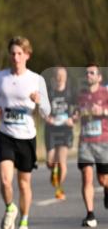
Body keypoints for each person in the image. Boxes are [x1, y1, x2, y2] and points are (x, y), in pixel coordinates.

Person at [0, 37, 50, 229]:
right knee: (5, 180)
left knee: (24, 184)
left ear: (27, 55)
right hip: (6, 134)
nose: (16, 57)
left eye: (19, 53)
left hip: (27, 137)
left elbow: (46, 112)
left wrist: (38, 101)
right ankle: (10, 208)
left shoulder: (36, 79)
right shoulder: (1, 77)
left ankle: (24, 223)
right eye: (13, 53)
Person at [74, 64, 108, 228]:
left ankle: (106, 189)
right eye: (86, 72)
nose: (88, 75)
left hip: (103, 141)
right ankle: (90, 214)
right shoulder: (81, 95)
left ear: (99, 77)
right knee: (87, 176)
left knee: (103, 179)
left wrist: (102, 111)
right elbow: (75, 112)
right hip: (86, 142)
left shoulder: (105, 92)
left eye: (92, 73)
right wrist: (73, 116)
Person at [45, 67, 74, 200]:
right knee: (50, 162)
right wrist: (47, 117)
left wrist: (72, 119)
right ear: (54, 77)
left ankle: (59, 188)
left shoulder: (70, 93)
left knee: (62, 162)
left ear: (66, 77)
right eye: (58, 75)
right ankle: (53, 169)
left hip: (65, 130)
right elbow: (42, 109)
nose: (60, 77)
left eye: (63, 75)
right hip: (51, 130)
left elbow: (78, 109)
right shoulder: (49, 93)